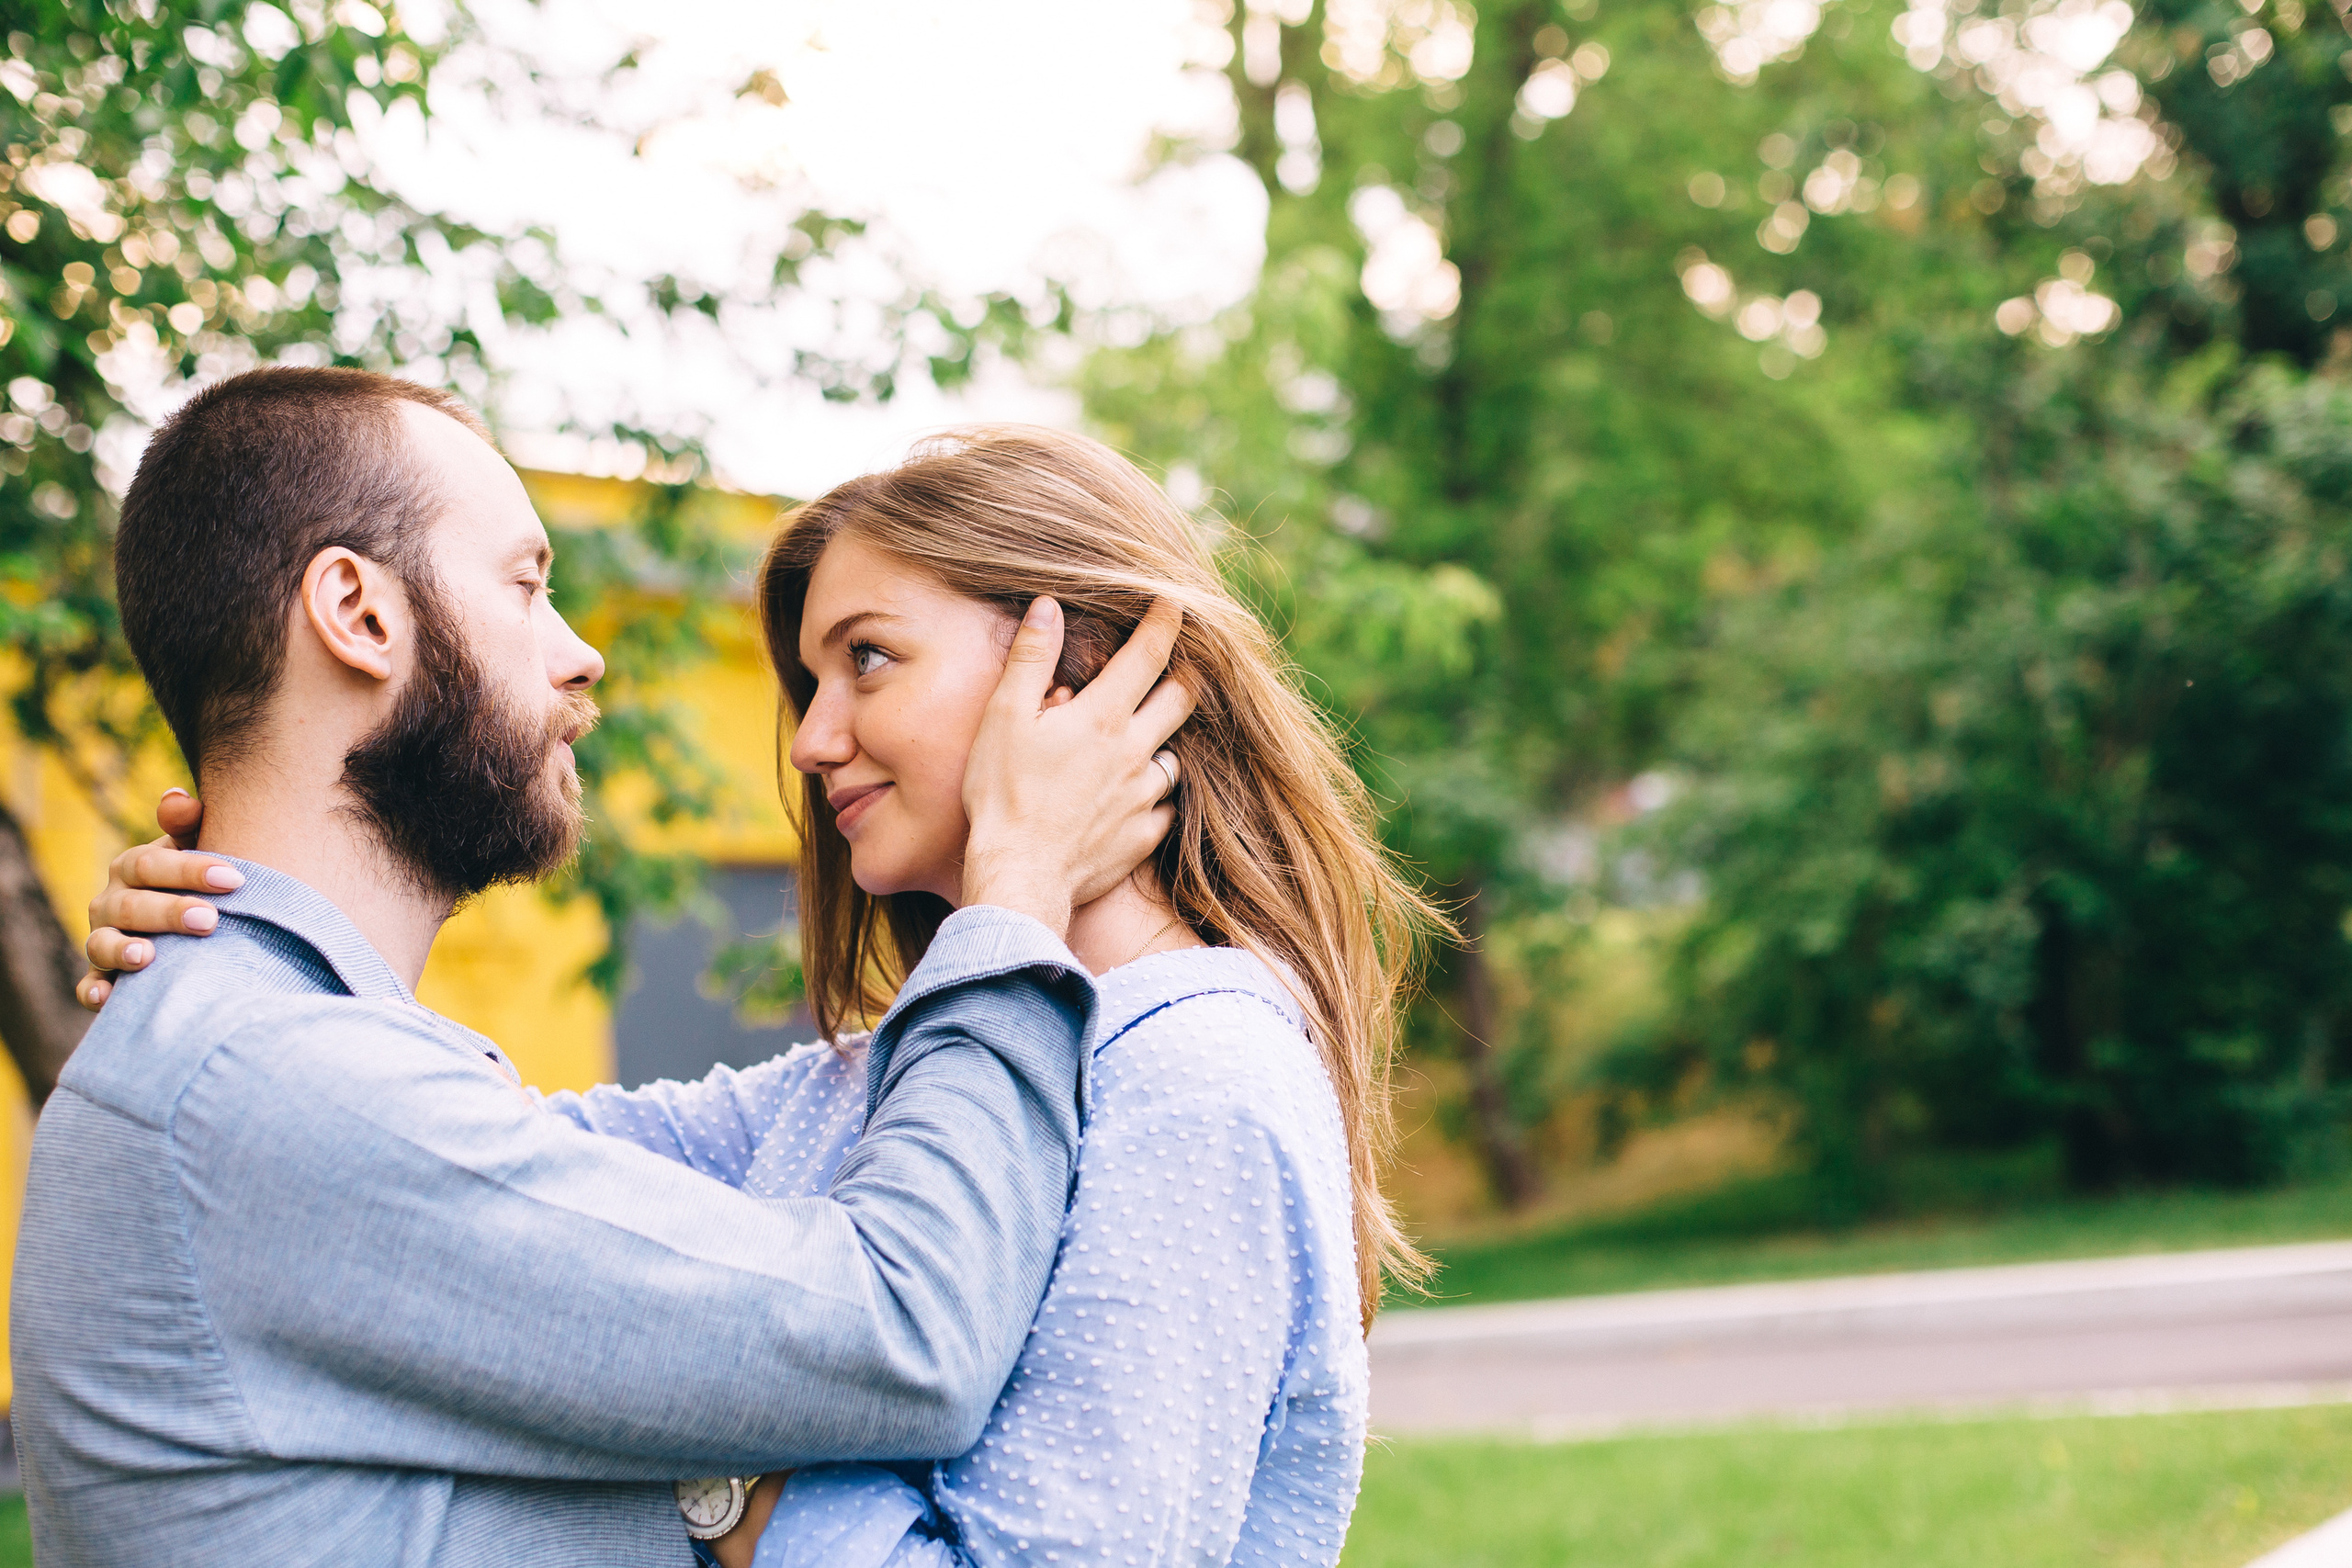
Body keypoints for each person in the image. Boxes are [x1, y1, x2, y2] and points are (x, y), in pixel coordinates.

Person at [85, 424, 1447, 1567]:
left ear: (1078, 667)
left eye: (867, 658)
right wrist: (255, 939)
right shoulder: (879, 1081)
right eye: (809, 679)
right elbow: (469, 1181)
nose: (808, 738)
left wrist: (713, 1477)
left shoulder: (1196, 1079)